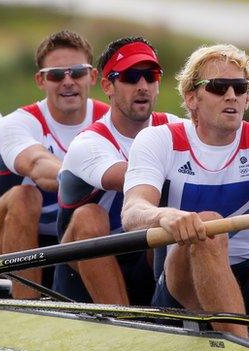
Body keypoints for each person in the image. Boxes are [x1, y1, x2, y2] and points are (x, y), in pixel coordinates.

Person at [121, 44, 249, 336]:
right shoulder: (159, 141)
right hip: (185, 287)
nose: (231, 95)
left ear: (247, 98)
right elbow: (133, 210)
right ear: (192, 98)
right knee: (207, 224)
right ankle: (238, 340)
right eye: (218, 87)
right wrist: (166, 217)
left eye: (240, 87)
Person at [0, 30, 109, 299]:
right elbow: (38, 166)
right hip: (3, 248)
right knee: (25, 196)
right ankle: (27, 307)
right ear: (41, 80)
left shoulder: (113, 121)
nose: (68, 82)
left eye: (77, 72)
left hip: (71, 242)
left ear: (92, 76)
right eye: (57, 75)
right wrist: (102, 173)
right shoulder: (16, 123)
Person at [53, 37, 182, 305]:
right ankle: (123, 320)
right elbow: (137, 177)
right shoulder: (89, 143)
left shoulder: (174, 127)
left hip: (145, 259)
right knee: (90, 215)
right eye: (131, 77)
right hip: (81, 272)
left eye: (151, 76)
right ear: (107, 86)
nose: (143, 86)